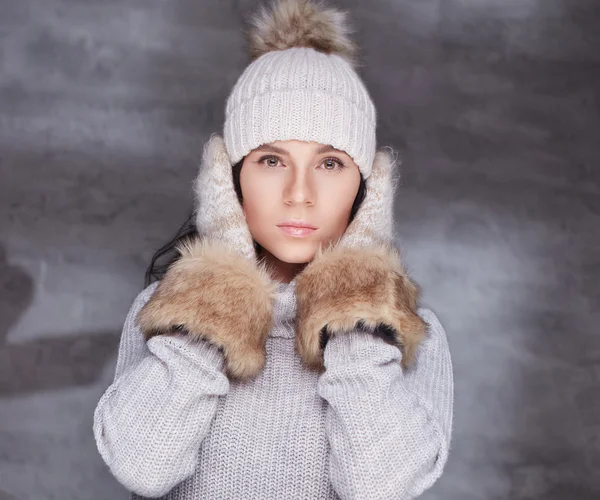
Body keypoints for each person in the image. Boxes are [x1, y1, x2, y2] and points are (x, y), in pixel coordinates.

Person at [93, 1, 454, 498]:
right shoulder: (167, 313)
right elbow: (143, 466)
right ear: (230, 177)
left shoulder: (411, 335)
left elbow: (379, 486)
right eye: (271, 160)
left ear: (367, 189)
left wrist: (354, 303)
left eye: (330, 164)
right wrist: (214, 299)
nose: (299, 192)